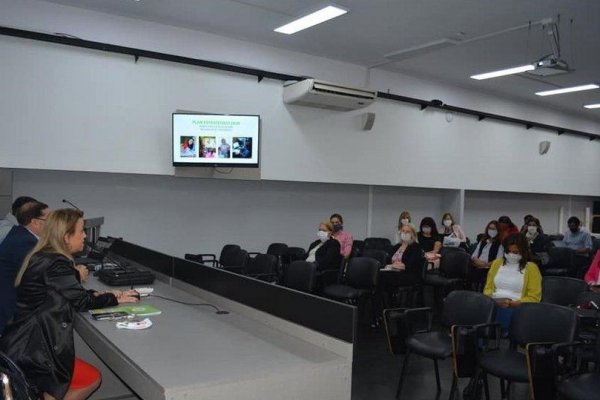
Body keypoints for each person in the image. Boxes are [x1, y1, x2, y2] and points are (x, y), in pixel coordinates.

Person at [0, 208, 139, 400]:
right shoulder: (57, 263)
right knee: (91, 378)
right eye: (81, 231)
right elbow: (81, 301)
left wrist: (102, 294)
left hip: (21, 344)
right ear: (66, 237)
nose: (84, 236)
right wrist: (114, 298)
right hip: (35, 353)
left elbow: (63, 291)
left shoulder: (44, 256)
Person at [0, 201, 49, 334]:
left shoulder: (20, 234)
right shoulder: (26, 242)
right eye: (48, 219)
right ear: (35, 222)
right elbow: (40, 276)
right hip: (9, 312)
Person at [483, 233, 542, 328]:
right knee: (477, 312)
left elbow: (534, 297)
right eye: (508, 251)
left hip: (516, 306)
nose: (511, 255)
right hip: (494, 303)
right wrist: (494, 301)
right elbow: (488, 289)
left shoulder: (531, 268)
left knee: (493, 318)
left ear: (523, 252)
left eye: (516, 252)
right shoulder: (497, 263)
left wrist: (512, 304)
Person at [471, 220, 504, 290]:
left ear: (498, 231)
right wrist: (477, 261)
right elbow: (474, 255)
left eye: (494, 229)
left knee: (479, 273)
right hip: (477, 265)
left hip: (489, 268)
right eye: (490, 228)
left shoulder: (500, 244)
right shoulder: (483, 241)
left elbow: (498, 260)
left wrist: (485, 264)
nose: (491, 231)